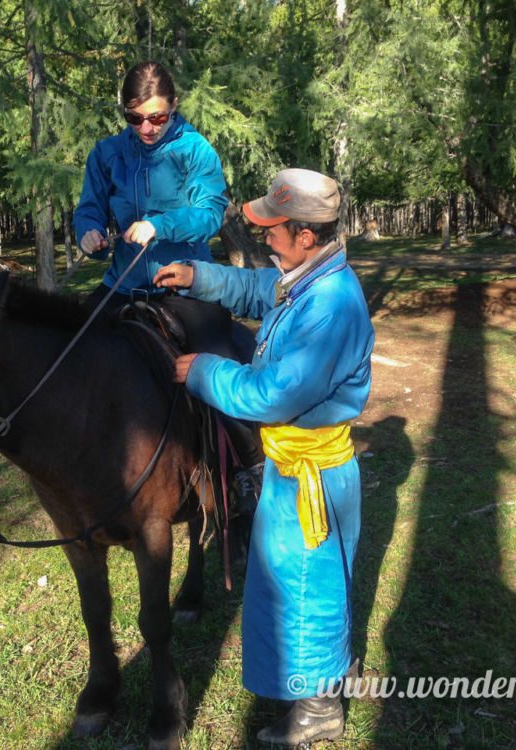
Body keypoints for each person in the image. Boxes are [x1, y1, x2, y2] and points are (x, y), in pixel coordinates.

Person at [153, 168, 374, 747]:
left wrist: (205, 371)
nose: (264, 239)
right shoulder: (307, 278)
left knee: (302, 584)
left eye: (274, 230)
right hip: (302, 465)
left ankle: (319, 708)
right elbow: (258, 294)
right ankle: (332, 671)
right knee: (312, 580)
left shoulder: (330, 305)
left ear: (305, 235)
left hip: (309, 474)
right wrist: (199, 275)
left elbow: (273, 393)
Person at [74, 60, 228, 307]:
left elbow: (210, 216)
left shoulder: (196, 150)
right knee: (74, 339)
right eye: (134, 118)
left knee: (215, 345)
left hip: (187, 287)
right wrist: (89, 235)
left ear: (174, 105)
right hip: (123, 287)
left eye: (157, 117)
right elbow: (89, 210)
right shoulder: (106, 154)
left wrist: (158, 226)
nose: (146, 128)